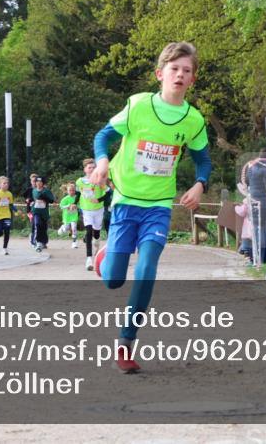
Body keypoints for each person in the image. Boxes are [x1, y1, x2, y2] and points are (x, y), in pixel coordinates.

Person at [90, 41, 211, 374]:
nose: (180, 75)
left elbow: (203, 160)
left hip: (158, 206)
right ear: (160, 74)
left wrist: (199, 184)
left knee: (146, 271)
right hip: (126, 201)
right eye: (174, 69)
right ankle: (107, 256)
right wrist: (102, 164)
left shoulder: (193, 120)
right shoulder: (138, 106)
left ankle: (126, 343)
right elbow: (102, 137)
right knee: (114, 280)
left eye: (187, 71)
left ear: (192, 79)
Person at [246, 149, 266, 262]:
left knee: (257, 229)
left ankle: (258, 257)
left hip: (254, 201)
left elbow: (247, 182)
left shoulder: (251, 166)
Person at [77, 159, 106, 270]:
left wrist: (99, 200)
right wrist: (74, 203)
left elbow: (108, 193)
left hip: (98, 209)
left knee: (96, 233)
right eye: (89, 167)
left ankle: (97, 242)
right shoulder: (80, 181)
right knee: (88, 231)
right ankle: (89, 259)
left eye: (94, 167)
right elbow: (79, 193)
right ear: (85, 169)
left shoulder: (100, 180)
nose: (92, 169)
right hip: (86, 210)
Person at [31, 176, 56, 253]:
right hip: (36, 211)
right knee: (37, 224)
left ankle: (43, 242)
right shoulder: (34, 191)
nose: (38, 183)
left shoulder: (46, 191)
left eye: (40, 182)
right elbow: (32, 199)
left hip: (44, 212)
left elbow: (52, 200)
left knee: (43, 227)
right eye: (37, 182)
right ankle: (37, 242)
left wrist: (45, 198)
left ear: (43, 183)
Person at [58, 181, 81, 249]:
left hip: (74, 216)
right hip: (67, 216)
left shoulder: (77, 198)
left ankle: (74, 242)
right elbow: (61, 206)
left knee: (74, 228)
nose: (72, 192)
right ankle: (62, 228)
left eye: (73, 190)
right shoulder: (65, 199)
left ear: (75, 191)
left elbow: (80, 205)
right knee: (66, 228)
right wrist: (68, 206)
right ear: (67, 191)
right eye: (70, 190)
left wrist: (77, 206)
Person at [21, 174, 39, 247]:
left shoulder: (40, 190)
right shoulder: (29, 189)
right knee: (34, 224)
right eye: (33, 181)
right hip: (30, 211)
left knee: (38, 225)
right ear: (31, 182)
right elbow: (24, 195)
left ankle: (37, 239)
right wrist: (27, 200)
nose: (34, 183)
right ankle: (33, 241)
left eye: (36, 181)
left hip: (38, 210)